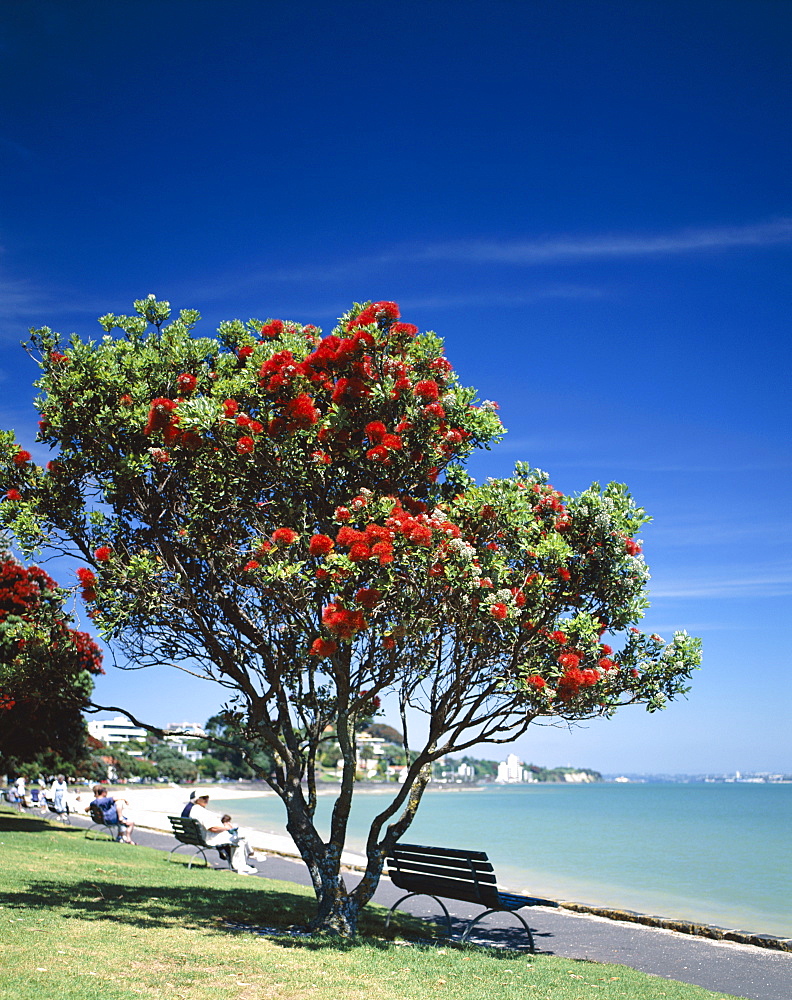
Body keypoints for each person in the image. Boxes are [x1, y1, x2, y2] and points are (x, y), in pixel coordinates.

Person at [189, 793, 261, 874]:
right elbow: (212, 828)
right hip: (212, 839)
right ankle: (241, 865)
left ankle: (247, 858)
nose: (206, 800)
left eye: (207, 797)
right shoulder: (201, 812)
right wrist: (226, 828)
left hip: (205, 837)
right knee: (241, 838)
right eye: (204, 797)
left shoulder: (195, 810)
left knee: (241, 835)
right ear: (197, 799)